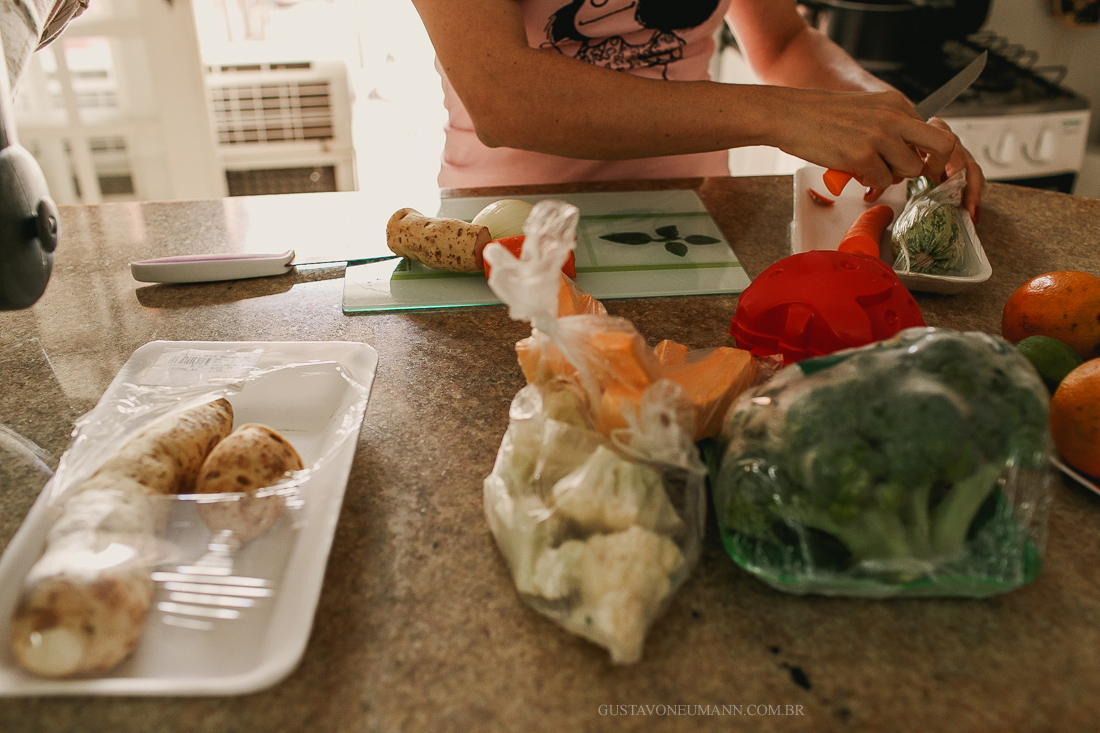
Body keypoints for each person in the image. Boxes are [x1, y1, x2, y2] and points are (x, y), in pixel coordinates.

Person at [411, 0, 984, 221]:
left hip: (698, 215)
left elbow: (784, 42)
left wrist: (892, 119)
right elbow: (503, 96)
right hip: (506, 220)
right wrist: (781, 115)